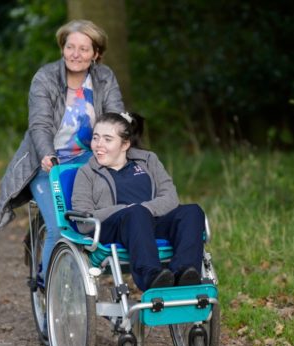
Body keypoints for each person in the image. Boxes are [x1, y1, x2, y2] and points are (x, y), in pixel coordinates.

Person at [0, 20, 124, 285]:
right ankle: (47, 282)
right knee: (59, 227)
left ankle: (100, 271)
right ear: (62, 49)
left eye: (84, 49)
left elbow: (115, 117)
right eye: (70, 47)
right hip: (47, 162)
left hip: (89, 159)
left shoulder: (104, 77)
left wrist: (121, 145)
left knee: (107, 216)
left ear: (96, 54)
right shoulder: (45, 77)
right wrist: (47, 154)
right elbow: (39, 124)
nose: (76, 54)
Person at [71, 112, 204, 291]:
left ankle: (185, 273)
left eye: (107, 139)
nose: (98, 145)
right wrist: (126, 210)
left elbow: (170, 198)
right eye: (96, 138)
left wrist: (143, 209)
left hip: (152, 221)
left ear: (125, 144)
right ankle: (151, 276)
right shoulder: (87, 173)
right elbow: (83, 220)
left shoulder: (148, 160)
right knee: (136, 214)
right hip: (114, 228)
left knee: (192, 211)